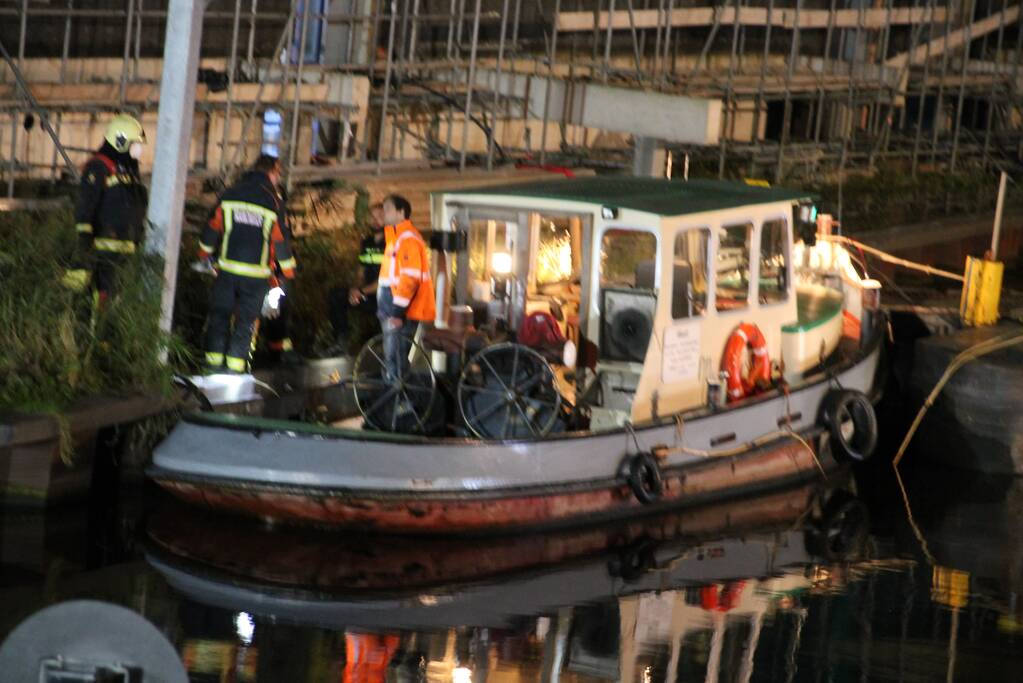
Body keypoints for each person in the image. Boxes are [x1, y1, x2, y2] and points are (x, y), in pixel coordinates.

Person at [199, 154, 296, 373]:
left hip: (226, 271)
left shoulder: (230, 194)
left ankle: (212, 367)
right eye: (278, 174)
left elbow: (212, 228)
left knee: (219, 317)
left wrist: (204, 256)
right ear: (271, 172)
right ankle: (234, 371)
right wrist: (288, 272)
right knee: (245, 323)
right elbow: (280, 241)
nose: (278, 179)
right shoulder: (273, 202)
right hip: (255, 277)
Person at [65, 113, 148, 301]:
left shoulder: (128, 171)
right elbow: (85, 209)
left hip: (125, 258)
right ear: (120, 141)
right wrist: (84, 248)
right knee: (98, 302)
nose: (139, 150)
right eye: (135, 144)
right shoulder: (99, 167)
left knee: (116, 304)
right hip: (102, 257)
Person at [377, 194, 435, 378]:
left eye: (387, 209)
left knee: (396, 354)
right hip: (392, 305)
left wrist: (397, 312)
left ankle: (396, 391)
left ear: (401, 212)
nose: (383, 213)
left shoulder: (407, 239)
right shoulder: (395, 238)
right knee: (393, 353)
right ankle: (394, 388)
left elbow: (409, 278)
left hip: (399, 307)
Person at [327, 202, 385, 353]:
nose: (376, 220)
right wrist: (355, 289)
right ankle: (341, 342)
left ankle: (382, 344)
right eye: (372, 217)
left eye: (380, 216)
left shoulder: (392, 243)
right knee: (336, 296)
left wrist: (362, 291)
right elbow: (361, 272)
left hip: (386, 297)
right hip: (367, 294)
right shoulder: (367, 242)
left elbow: (387, 280)